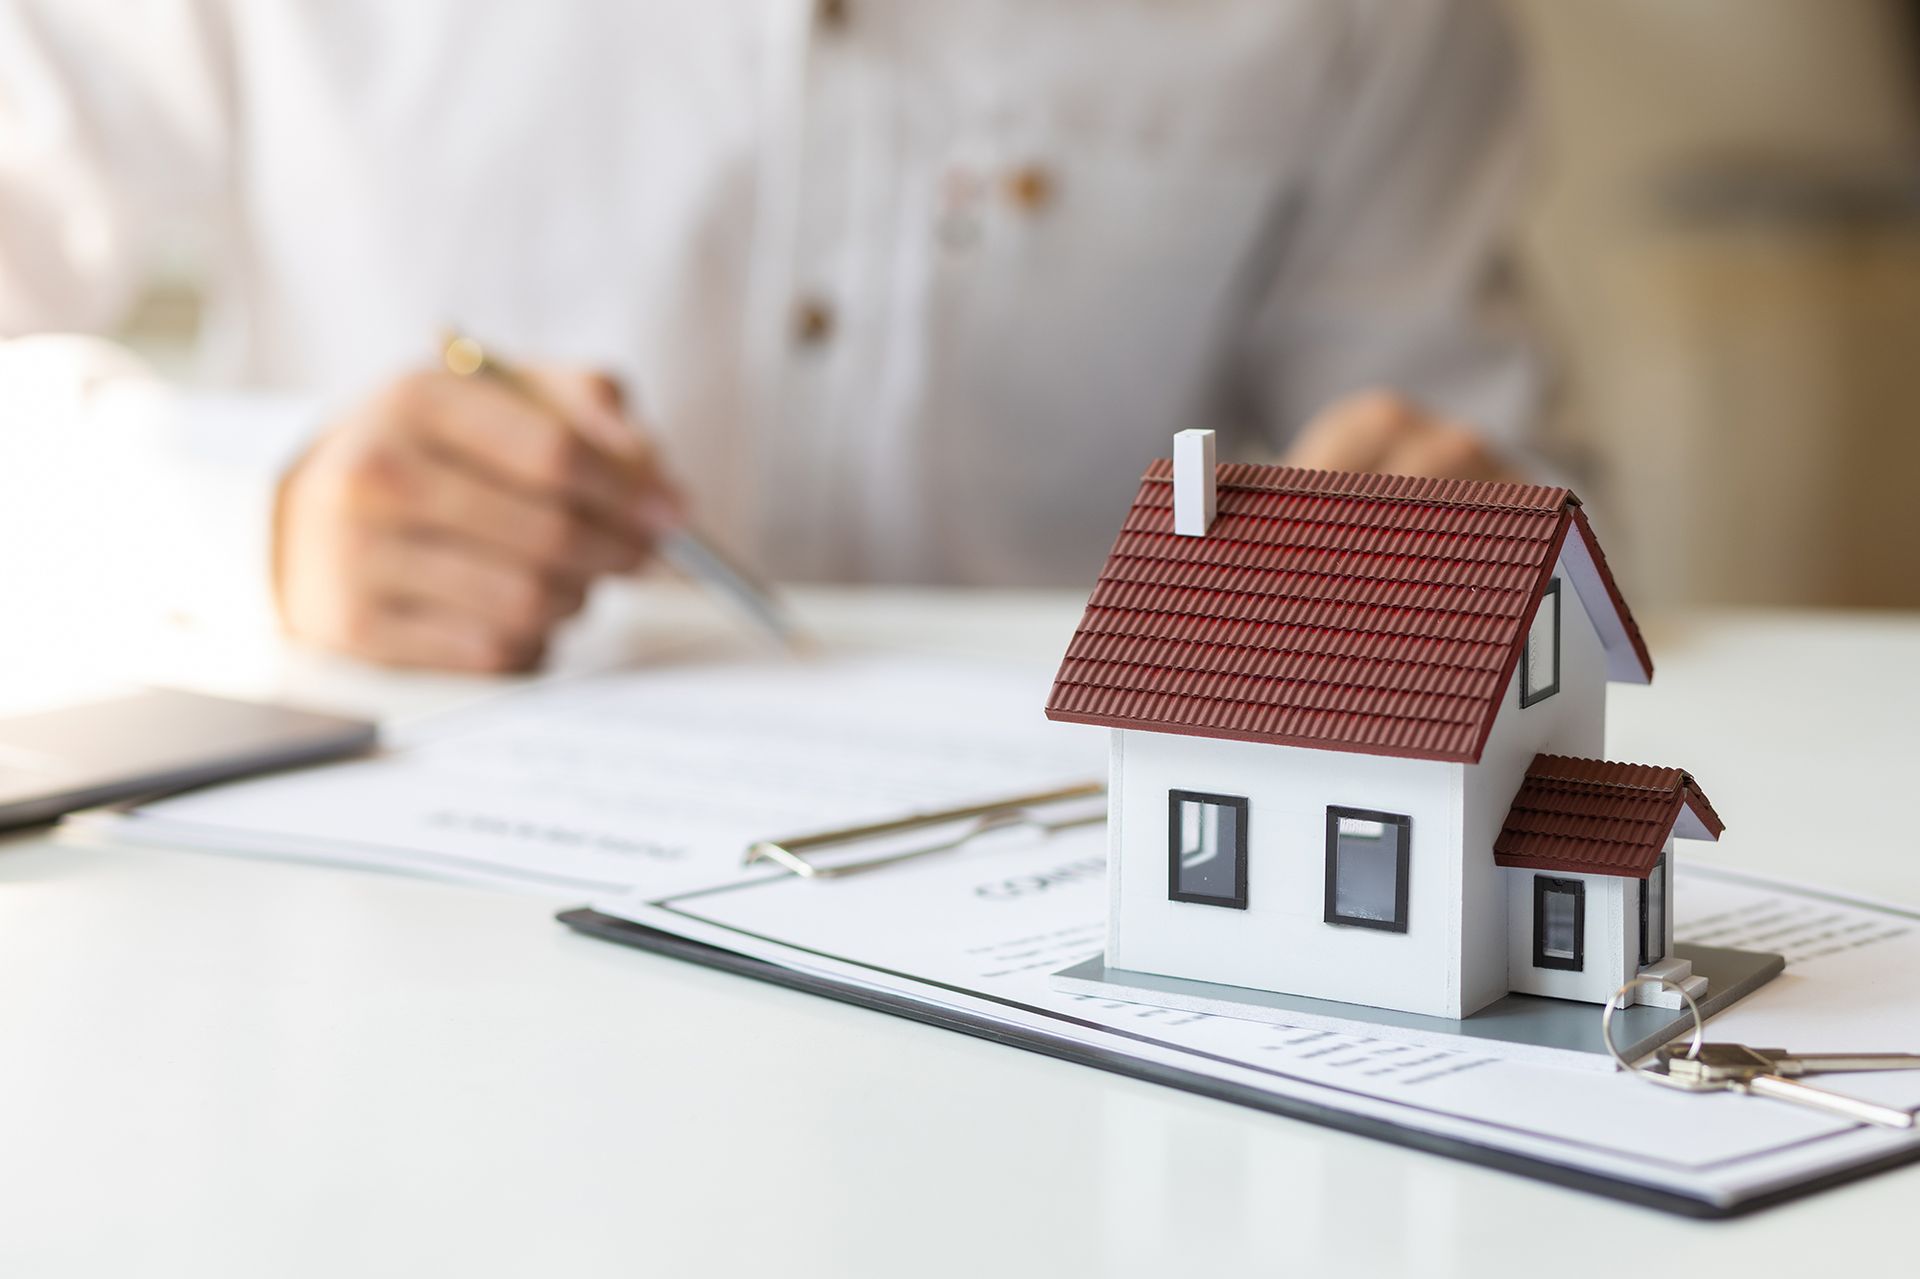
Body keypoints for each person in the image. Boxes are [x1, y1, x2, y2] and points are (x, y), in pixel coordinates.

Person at [0, 0, 1540, 672]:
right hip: (375, 923)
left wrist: (1451, 547)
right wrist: (249, 514)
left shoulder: (1374, 17)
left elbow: (1508, 473)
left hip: (1071, 936)